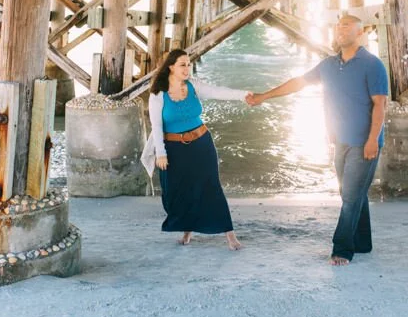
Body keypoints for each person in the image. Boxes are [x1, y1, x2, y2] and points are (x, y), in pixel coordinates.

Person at [248, 15, 388, 266]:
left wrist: (373, 140)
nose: (340, 29)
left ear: (360, 32)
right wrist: (264, 96)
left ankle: (343, 249)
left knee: (350, 197)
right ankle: (363, 242)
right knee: (353, 193)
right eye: (337, 26)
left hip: (364, 142)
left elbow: (380, 105)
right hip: (341, 141)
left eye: (346, 25)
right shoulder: (329, 65)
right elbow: (298, 83)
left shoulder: (372, 64)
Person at [142, 48, 252, 250]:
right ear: (171, 68)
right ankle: (187, 230)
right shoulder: (158, 95)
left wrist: (243, 95)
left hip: (202, 144)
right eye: (182, 64)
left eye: (189, 64)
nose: (187, 68)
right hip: (174, 149)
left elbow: (219, 91)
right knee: (180, 192)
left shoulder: (193, 86)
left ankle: (230, 235)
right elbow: (156, 126)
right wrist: (161, 153)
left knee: (211, 187)